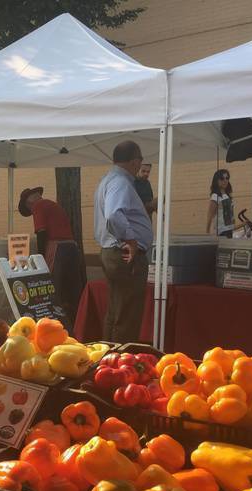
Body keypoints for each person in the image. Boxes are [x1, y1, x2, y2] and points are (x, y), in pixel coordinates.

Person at [94, 141, 153, 343]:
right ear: (135, 161)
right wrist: (131, 239)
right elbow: (113, 214)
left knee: (117, 311)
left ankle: (109, 358)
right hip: (124, 252)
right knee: (127, 315)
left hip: (114, 250)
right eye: (140, 160)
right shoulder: (120, 182)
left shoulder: (109, 179)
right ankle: (119, 363)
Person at [18, 186, 84, 325]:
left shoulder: (38, 207)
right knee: (73, 288)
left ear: (28, 204)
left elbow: (41, 232)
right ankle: (78, 320)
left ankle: (56, 321)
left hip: (58, 248)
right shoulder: (54, 205)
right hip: (71, 246)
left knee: (53, 286)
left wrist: (40, 256)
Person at [205, 169, 235, 237]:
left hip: (229, 229)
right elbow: (210, 215)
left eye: (227, 178)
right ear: (217, 180)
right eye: (222, 178)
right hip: (221, 231)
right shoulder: (215, 196)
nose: (225, 180)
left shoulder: (227, 195)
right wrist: (207, 232)